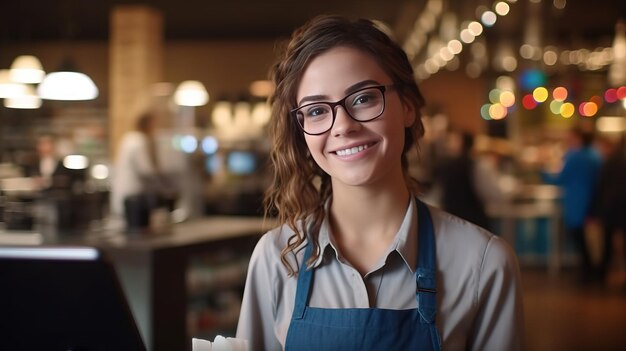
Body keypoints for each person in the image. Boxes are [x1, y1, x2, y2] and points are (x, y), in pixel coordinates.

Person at [236, 15, 524, 350]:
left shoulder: (483, 263)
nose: (342, 126)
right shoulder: (276, 258)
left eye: (362, 98)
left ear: (407, 107)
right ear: (301, 132)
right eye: (316, 111)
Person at [542, 127, 602, 281]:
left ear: (578, 138)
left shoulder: (574, 157)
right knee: (589, 242)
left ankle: (587, 274)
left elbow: (559, 179)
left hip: (577, 204)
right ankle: (593, 272)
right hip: (593, 203)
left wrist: (543, 170)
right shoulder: (596, 155)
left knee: (580, 241)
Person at [110, 112, 176, 225]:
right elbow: (146, 171)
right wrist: (165, 186)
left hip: (126, 196)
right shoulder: (138, 141)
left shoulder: (129, 138)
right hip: (133, 198)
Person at [435, 130, 490, 229]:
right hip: (473, 221)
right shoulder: (475, 164)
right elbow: (486, 192)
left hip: (451, 220)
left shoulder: (444, 165)